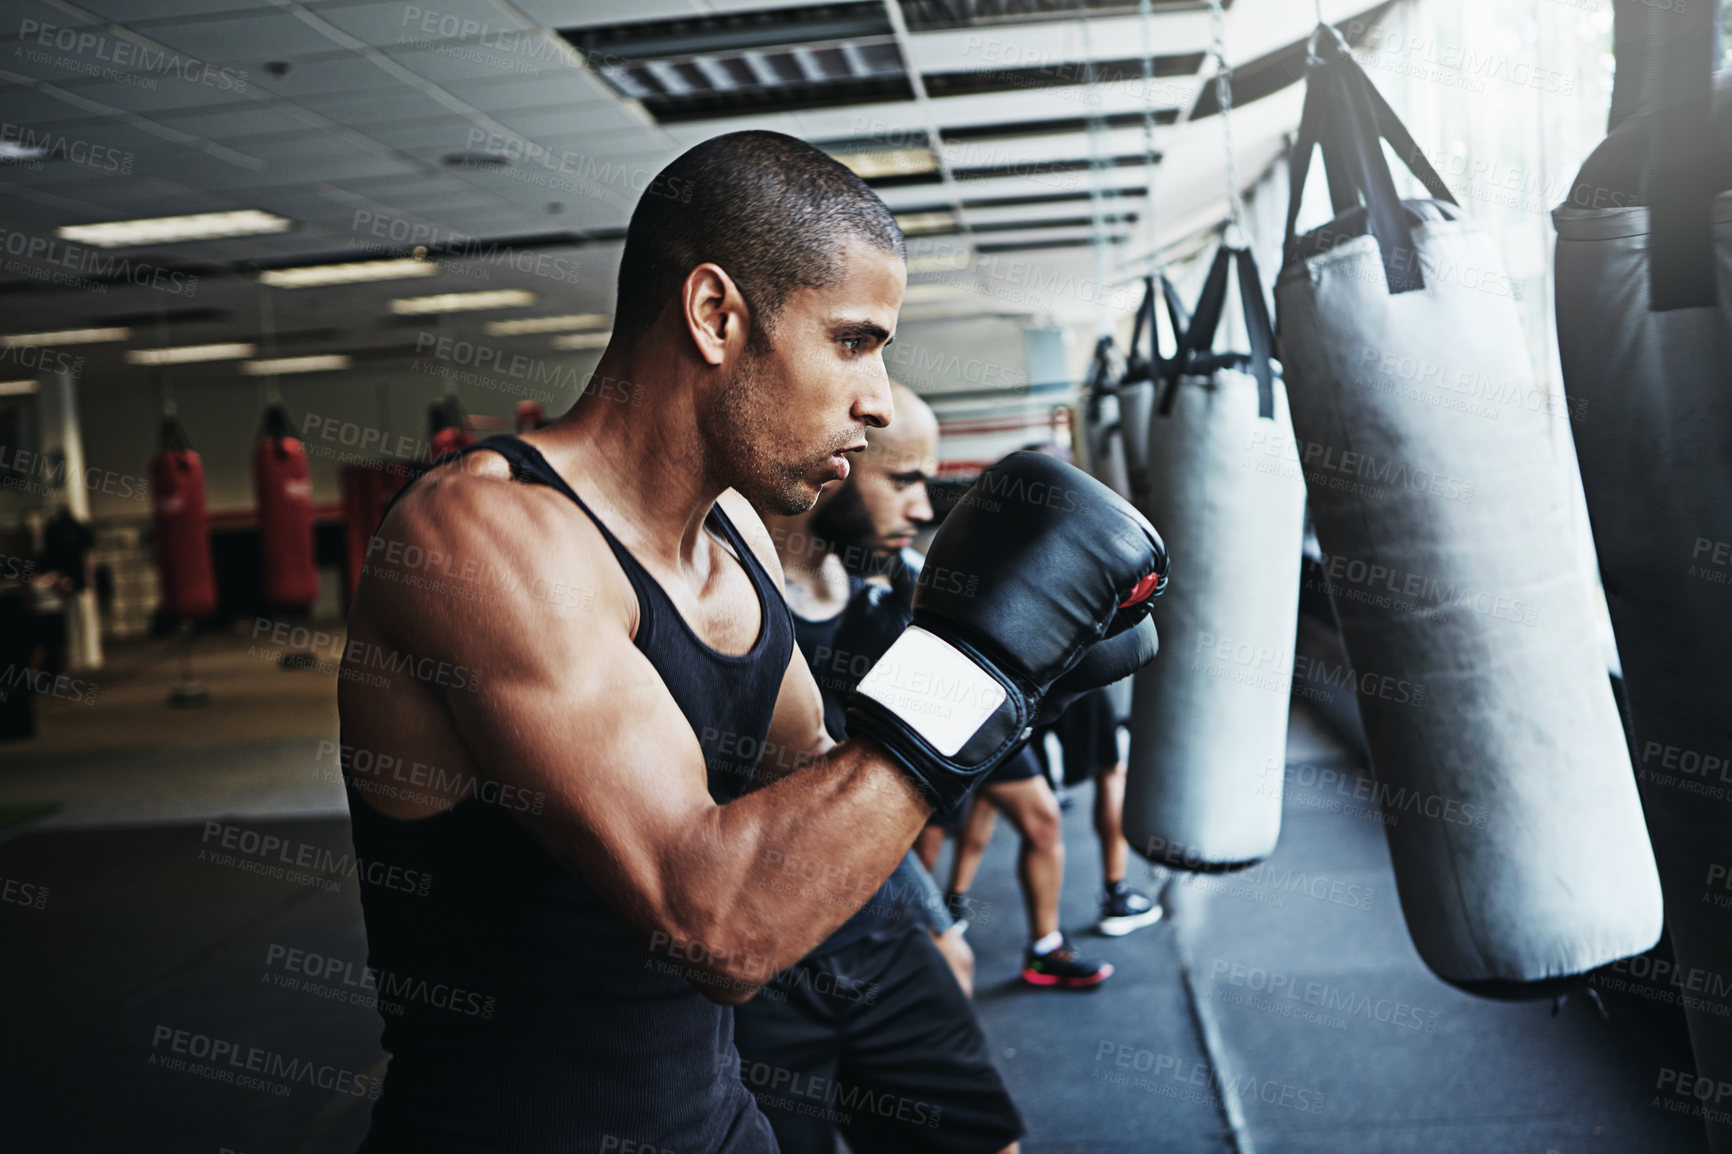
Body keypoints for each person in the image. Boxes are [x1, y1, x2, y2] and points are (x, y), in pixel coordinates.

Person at [337, 130, 1166, 1153]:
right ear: (716, 314)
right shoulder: (486, 537)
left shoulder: (738, 541)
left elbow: (816, 797)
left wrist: (1017, 690)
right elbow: (715, 920)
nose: (877, 399)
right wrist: (975, 672)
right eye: (855, 341)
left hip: (718, 1123)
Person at [739, 380, 1023, 1154]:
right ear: (838, 463)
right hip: (756, 959)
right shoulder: (731, 599)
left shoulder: (889, 592)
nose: (923, 508)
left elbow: (895, 785)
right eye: (902, 481)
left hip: (874, 925)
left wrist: (933, 919)